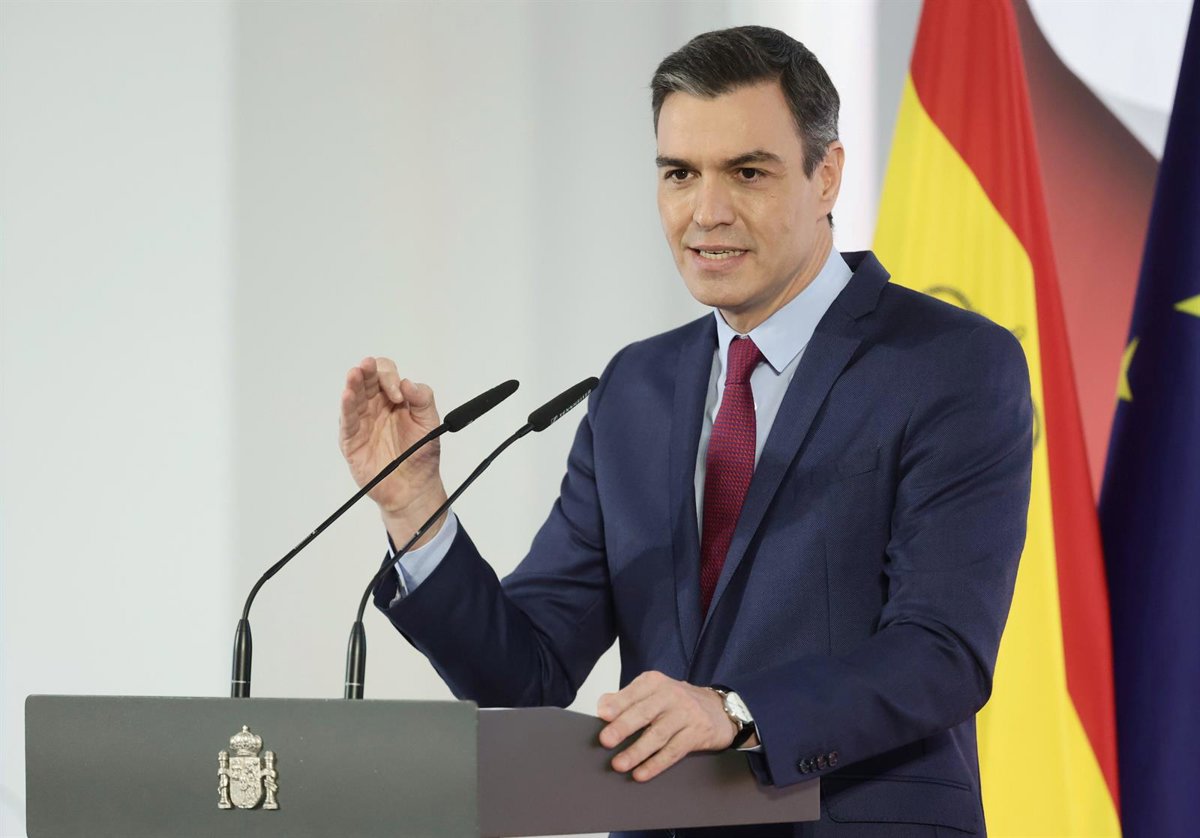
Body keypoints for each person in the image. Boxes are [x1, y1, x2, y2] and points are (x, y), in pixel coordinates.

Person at [339, 26, 1031, 837]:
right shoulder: (636, 388)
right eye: (680, 174)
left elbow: (941, 652)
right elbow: (526, 673)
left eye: (748, 172)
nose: (706, 212)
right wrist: (415, 510)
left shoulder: (948, 363)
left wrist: (734, 712)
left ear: (827, 176)